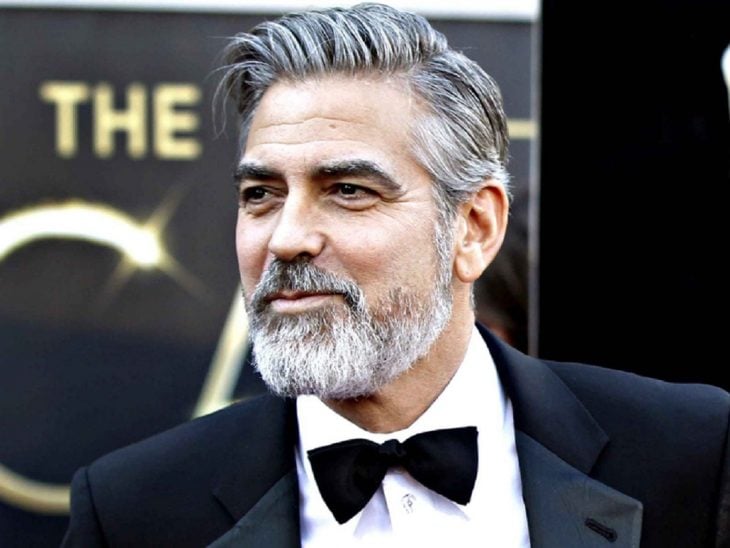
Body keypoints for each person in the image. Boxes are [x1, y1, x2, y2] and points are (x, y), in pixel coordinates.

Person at [61, 4, 729, 547]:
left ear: (475, 228)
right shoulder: (133, 511)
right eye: (261, 194)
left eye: (348, 190)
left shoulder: (690, 455)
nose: (287, 239)